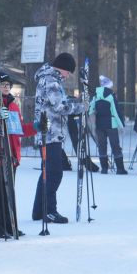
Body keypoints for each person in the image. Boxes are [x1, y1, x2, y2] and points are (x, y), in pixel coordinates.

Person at [32, 52, 85, 224]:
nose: (68, 75)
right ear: (61, 68)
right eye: (68, 71)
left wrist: (74, 101)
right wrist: (80, 107)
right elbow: (60, 106)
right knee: (55, 173)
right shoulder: (51, 80)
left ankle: (39, 210)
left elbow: (58, 101)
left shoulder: (51, 80)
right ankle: (49, 210)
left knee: (47, 172)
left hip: (51, 133)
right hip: (50, 134)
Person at [0, 70, 35, 236]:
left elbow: (17, 129)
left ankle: (9, 223)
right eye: (2, 84)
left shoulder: (12, 104)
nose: (6, 87)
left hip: (11, 156)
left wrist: (36, 127)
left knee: (8, 193)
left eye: (8, 85)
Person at [89, 75, 127, 174]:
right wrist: (121, 126)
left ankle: (104, 169)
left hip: (99, 125)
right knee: (115, 146)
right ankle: (120, 169)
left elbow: (90, 109)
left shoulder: (96, 96)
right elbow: (116, 112)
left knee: (102, 146)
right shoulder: (111, 96)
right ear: (109, 86)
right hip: (111, 125)